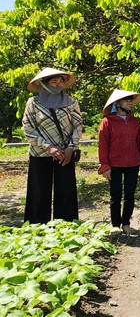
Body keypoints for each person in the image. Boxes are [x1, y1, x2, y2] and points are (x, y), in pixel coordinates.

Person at [22, 67, 82, 223]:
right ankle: (36, 229)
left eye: (60, 81)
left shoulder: (71, 102)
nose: (58, 84)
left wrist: (70, 148)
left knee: (66, 192)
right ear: (44, 84)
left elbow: (78, 126)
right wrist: (48, 147)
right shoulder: (33, 103)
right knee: (39, 192)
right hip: (40, 153)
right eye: (54, 81)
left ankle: (67, 228)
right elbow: (28, 128)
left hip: (64, 154)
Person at [98, 89, 140, 235]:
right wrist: (105, 166)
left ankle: (126, 223)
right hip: (114, 165)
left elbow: (139, 144)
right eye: (127, 100)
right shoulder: (107, 122)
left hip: (133, 163)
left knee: (130, 195)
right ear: (118, 103)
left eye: (131, 100)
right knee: (115, 195)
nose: (130, 103)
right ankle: (115, 224)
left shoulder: (135, 121)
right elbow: (103, 145)